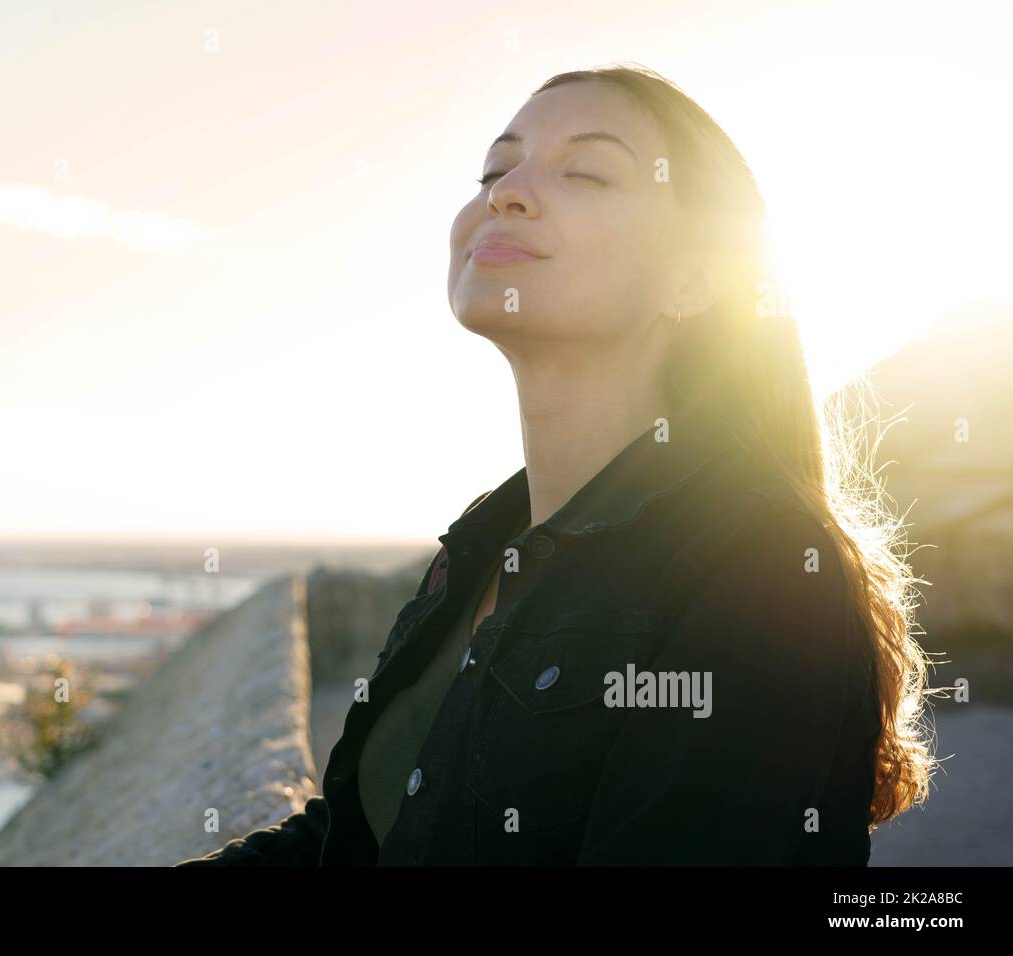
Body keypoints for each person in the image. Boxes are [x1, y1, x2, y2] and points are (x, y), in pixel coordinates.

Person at [175, 63, 935, 867]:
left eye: (586, 171)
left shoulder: (760, 573)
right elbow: (352, 842)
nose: (506, 193)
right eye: (495, 169)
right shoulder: (479, 549)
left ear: (693, 277)